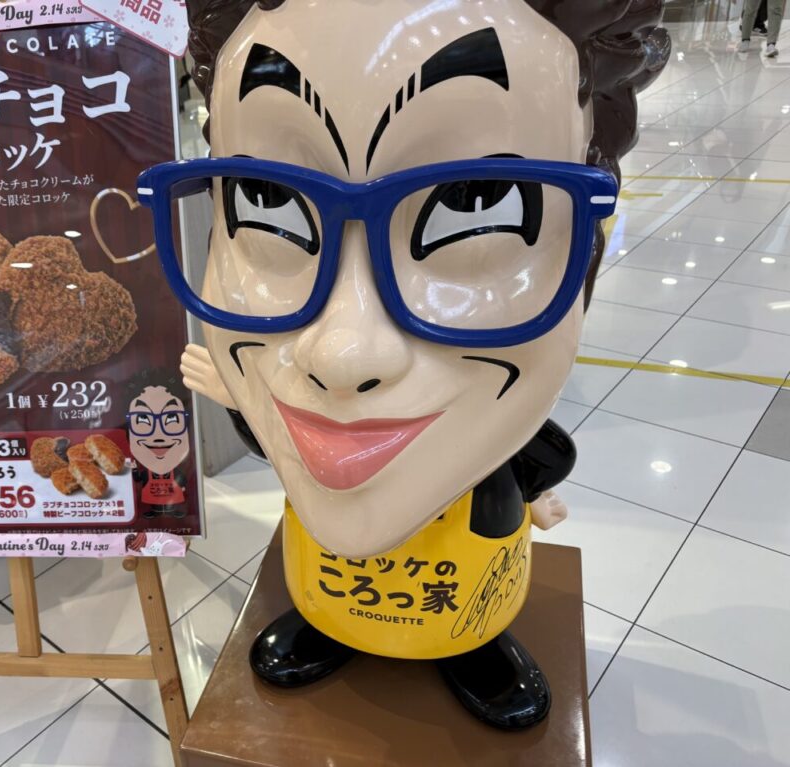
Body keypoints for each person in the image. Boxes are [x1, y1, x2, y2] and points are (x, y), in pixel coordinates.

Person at [147, 0, 668, 729]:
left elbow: (543, 458)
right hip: (327, 588)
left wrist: (536, 493)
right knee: (325, 591)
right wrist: (240, 399)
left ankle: (471, 646)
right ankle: (329, 626)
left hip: (463, 592)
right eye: (267, 198)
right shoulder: (305, 414)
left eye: (475, 202)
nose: (343, 352)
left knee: (465, 614)